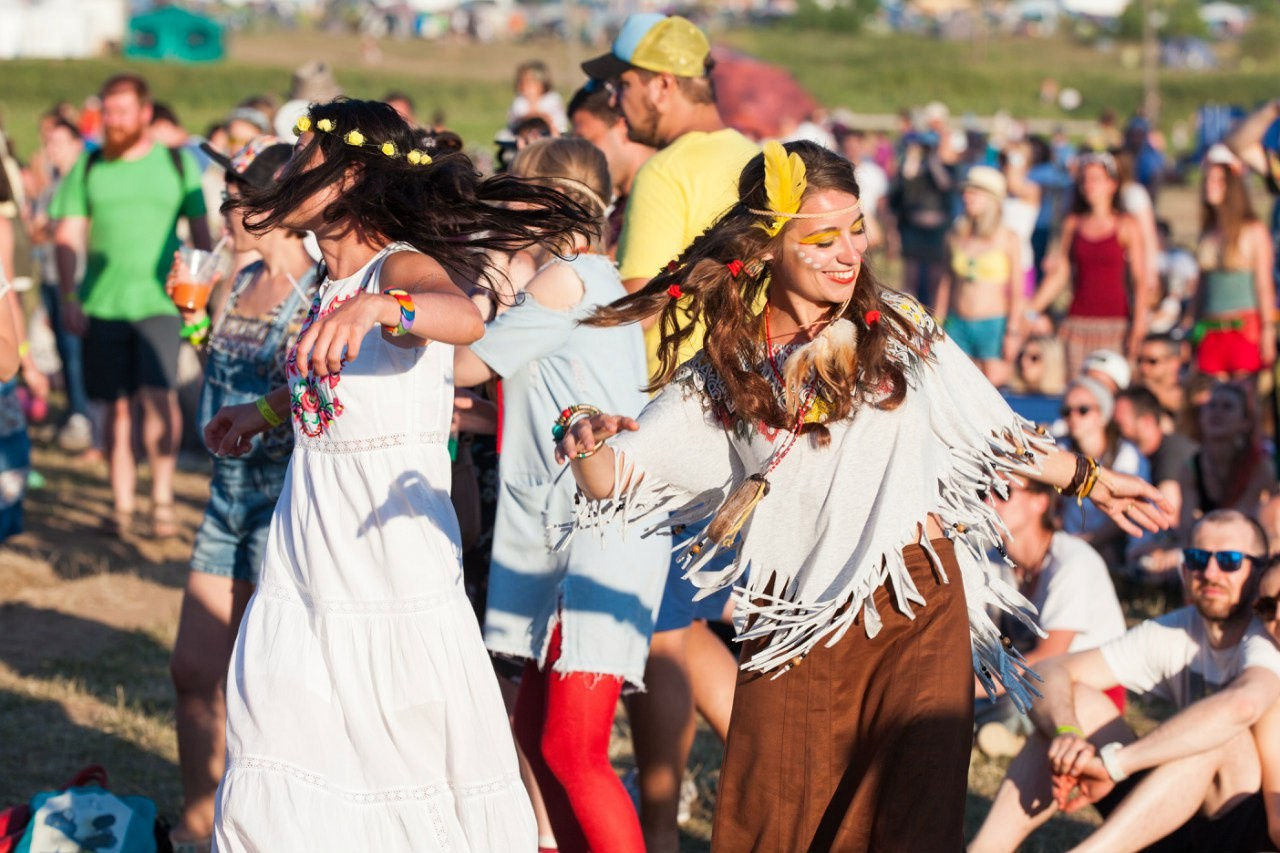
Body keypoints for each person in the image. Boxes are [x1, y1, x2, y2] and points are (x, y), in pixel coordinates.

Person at [556, 140, 1169, 852]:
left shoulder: (899, 323)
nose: (849, 252)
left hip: (915, 605)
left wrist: (1093, 479)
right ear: (764, 248)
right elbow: (613, 477)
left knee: (910, 825)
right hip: (799, 628)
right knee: (773, 823)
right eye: (822, 237)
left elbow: (993, 430)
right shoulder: (726, 371)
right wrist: (582, 433)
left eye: (857, 227)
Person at [203, 99, 594, 851]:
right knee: (276, 729)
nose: (285, 172)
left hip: (389, 569)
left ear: (349, 176)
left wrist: (386, 304)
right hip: (309, 552)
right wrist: (270, 409)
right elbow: (350, 384)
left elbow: (462, 317)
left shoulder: (398, 267)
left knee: (400, 754)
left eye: (301, 159)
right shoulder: (328, 283)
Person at [454, 138, 668, 853]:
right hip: (575, 529)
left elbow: (464, 361)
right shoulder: (599, 277)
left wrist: (417, 311)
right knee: (538, 737)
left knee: (573, 749)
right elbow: (559, 397)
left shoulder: (565, 279)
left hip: (597, 535)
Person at [581, 14, 759, 850]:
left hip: (679, 419)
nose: (617, 104)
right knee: (681, 630)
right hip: (750, 420)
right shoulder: (761, 159)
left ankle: (663, 823)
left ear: (661, 84)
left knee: (658, 633)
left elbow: (637, 301)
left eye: (622, 85)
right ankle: (762, 791)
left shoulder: (666, 173)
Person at [165, 137, 317, 853]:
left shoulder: (316, 293)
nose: (222, 212)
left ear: (271, 208)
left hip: (278, 502)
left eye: (233, 200)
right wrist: (192, 315)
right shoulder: (238, 276)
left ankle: (260, 832)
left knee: (264, 690)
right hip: (222, 497)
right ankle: (200, 824)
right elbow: (217, 364)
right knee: (193, 670)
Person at [970, 510, 1280, 853]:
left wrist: (1116, 763)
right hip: (1177, 814)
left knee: (1218, 735)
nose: (1210, 572)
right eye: (1196, 558)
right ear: (1183, 568)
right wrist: (1068, 733)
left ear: (1261, 569)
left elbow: (1242, 705)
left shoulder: (1267, 634)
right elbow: (1049, 672)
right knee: (1075, 703)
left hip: (1247, 830)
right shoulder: (1177, 629)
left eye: (1230, 561)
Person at [51, 73, 211, 538]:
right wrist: (68, 296)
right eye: (107, 112)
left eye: (123, 112)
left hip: (161, 303)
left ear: (145, 113)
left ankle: (161, 501)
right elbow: (66, 236)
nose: (113, 121)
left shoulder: (178, 167)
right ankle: (122, 507)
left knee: (159, 400)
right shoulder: (89, 166)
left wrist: (198, 298)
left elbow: (202, 240)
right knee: (115, 411)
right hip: (102, 305)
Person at [974, 479, 1127, 757]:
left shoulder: (1072, 562)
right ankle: (1007, 735)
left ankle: (1015, 736)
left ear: (1040, 501)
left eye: (1002, 492)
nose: (988, 502)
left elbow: (1048, 657)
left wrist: (967, 688)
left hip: (1086, 693)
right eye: (982, 491)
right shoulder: (993, 560)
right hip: (1027, 680)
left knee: (1002, 700)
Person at [1031, 151, 1150, 377]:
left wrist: (1139, 323)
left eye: (1096, 179)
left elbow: (1139, 279)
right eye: (1084, 179)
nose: (1089, 185)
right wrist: (1030, 311)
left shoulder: (1126, 224)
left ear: (1112, 184)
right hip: (1077, 324)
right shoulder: (1073, 224)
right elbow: (1060, 273)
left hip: (1116, 325)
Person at [29, 115, 92, 453]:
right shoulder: (52, 185)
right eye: (48, 142)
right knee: (62, 351)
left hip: (77, 280)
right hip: (51, 277)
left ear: (76, 145)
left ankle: (84, 416)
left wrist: (53, 227)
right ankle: (72, 409)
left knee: (75, 352)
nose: (50, 149)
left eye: (58, 142)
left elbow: (73, 229)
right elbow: (37, 231)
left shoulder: (85, 181)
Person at [1190, 144, 1276, 378]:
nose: (1210, 186)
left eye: (1218, 180)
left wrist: (1267, 329)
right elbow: (1201, 286)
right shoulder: (1208, 232)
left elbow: (1263, 283)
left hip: (1243, 329)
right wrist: (1192, 324)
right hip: (1210, 329)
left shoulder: (1253, 230)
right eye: (1208, 180)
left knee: (1241, 399)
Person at [933, 165, 1023, 385]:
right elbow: (946, 282)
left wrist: (1012, 332)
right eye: (965, 191)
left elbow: (1018, 291)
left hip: (993, 325)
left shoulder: (1009, 238)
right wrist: (936, 322)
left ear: (992, 199)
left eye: (974, 192)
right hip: (958, 322)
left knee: (992, 384)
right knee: (958, 383)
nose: (966, 196)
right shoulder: (956, 234)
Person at [1058, 376, 1151, 568]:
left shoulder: (1126, 455)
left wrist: (1086, 542)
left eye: (1083, 410)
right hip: (1068, 544)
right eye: (1066, 411)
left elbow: (1125, 514)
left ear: (1103, 414)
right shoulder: (1060, 450)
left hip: (1112, 547)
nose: (1073, 417)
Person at [565, 82, 654, 253]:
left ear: (622, 126)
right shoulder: (622, 207)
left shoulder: (655, 200)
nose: (581, 156)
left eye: (586, 142)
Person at [1135, 332, 1186, 428]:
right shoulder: (1135, 390)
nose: (1143, 367)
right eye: (1139, 360)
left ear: (1174, 362)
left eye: (1152, 361)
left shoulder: (1189, 393)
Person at [507, 60, 568, 134]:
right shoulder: (519, 102)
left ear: (542, 83)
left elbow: (560, 124)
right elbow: (513, 124)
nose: (524, 86)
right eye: (521, 82)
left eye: (529, 82)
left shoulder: (552, 99)